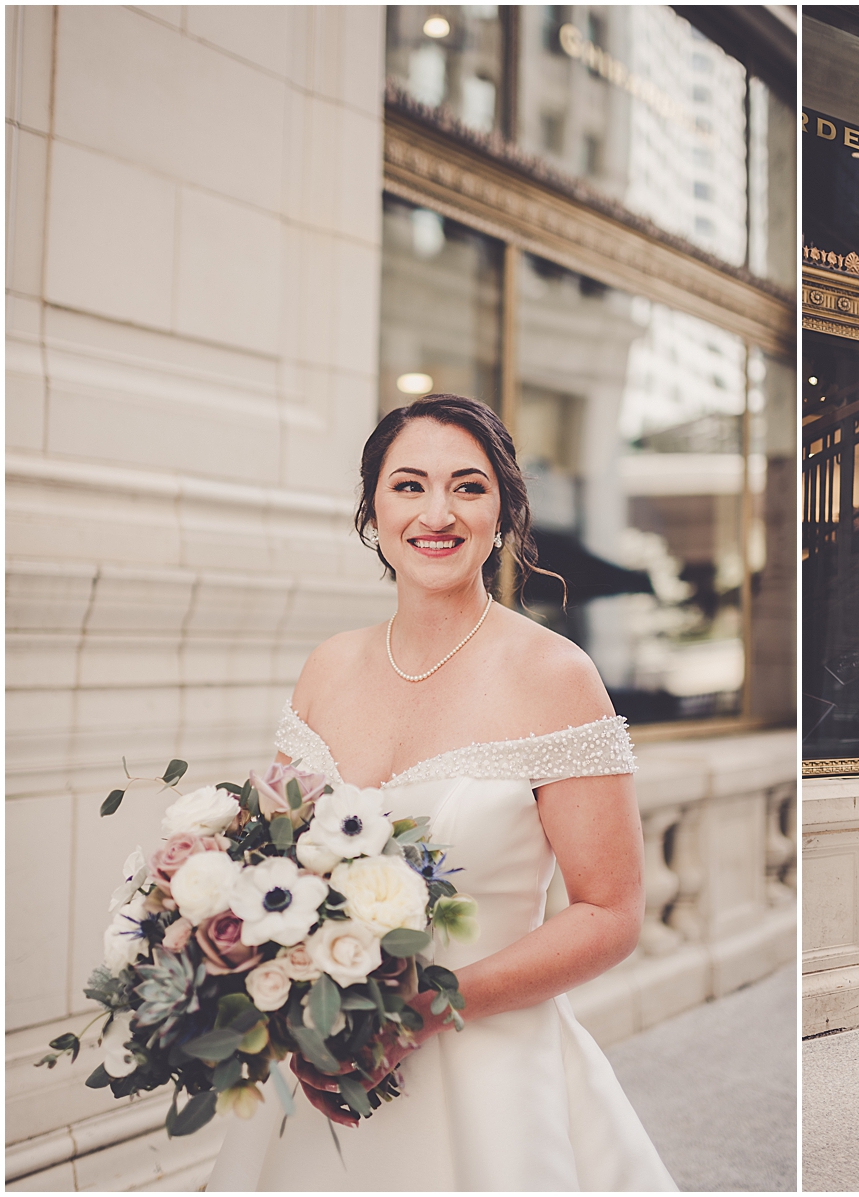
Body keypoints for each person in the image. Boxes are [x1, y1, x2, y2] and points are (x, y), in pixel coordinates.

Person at [207, 394, 677, 1191]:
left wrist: (429, 1003)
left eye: (468, 486)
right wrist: (292, 1009)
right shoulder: (328, 667)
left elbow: (610, 911)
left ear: (504, 513)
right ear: (373, 509)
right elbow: (272, 872)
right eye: (408, 485)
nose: (438, 512)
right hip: (327, 1075)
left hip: (491, 1073)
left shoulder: (556, 676)